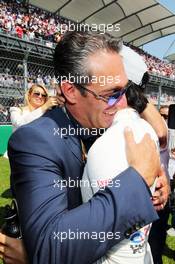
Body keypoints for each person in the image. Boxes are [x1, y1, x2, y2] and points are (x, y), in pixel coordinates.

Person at [0, 31, 169, 264]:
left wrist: (157, 184)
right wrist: (138, 179)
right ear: (70, 91)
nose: (121, 104)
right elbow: (52, 246)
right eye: (111, 94)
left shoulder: (106, 122)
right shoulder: (35, 141)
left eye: (124, 90)